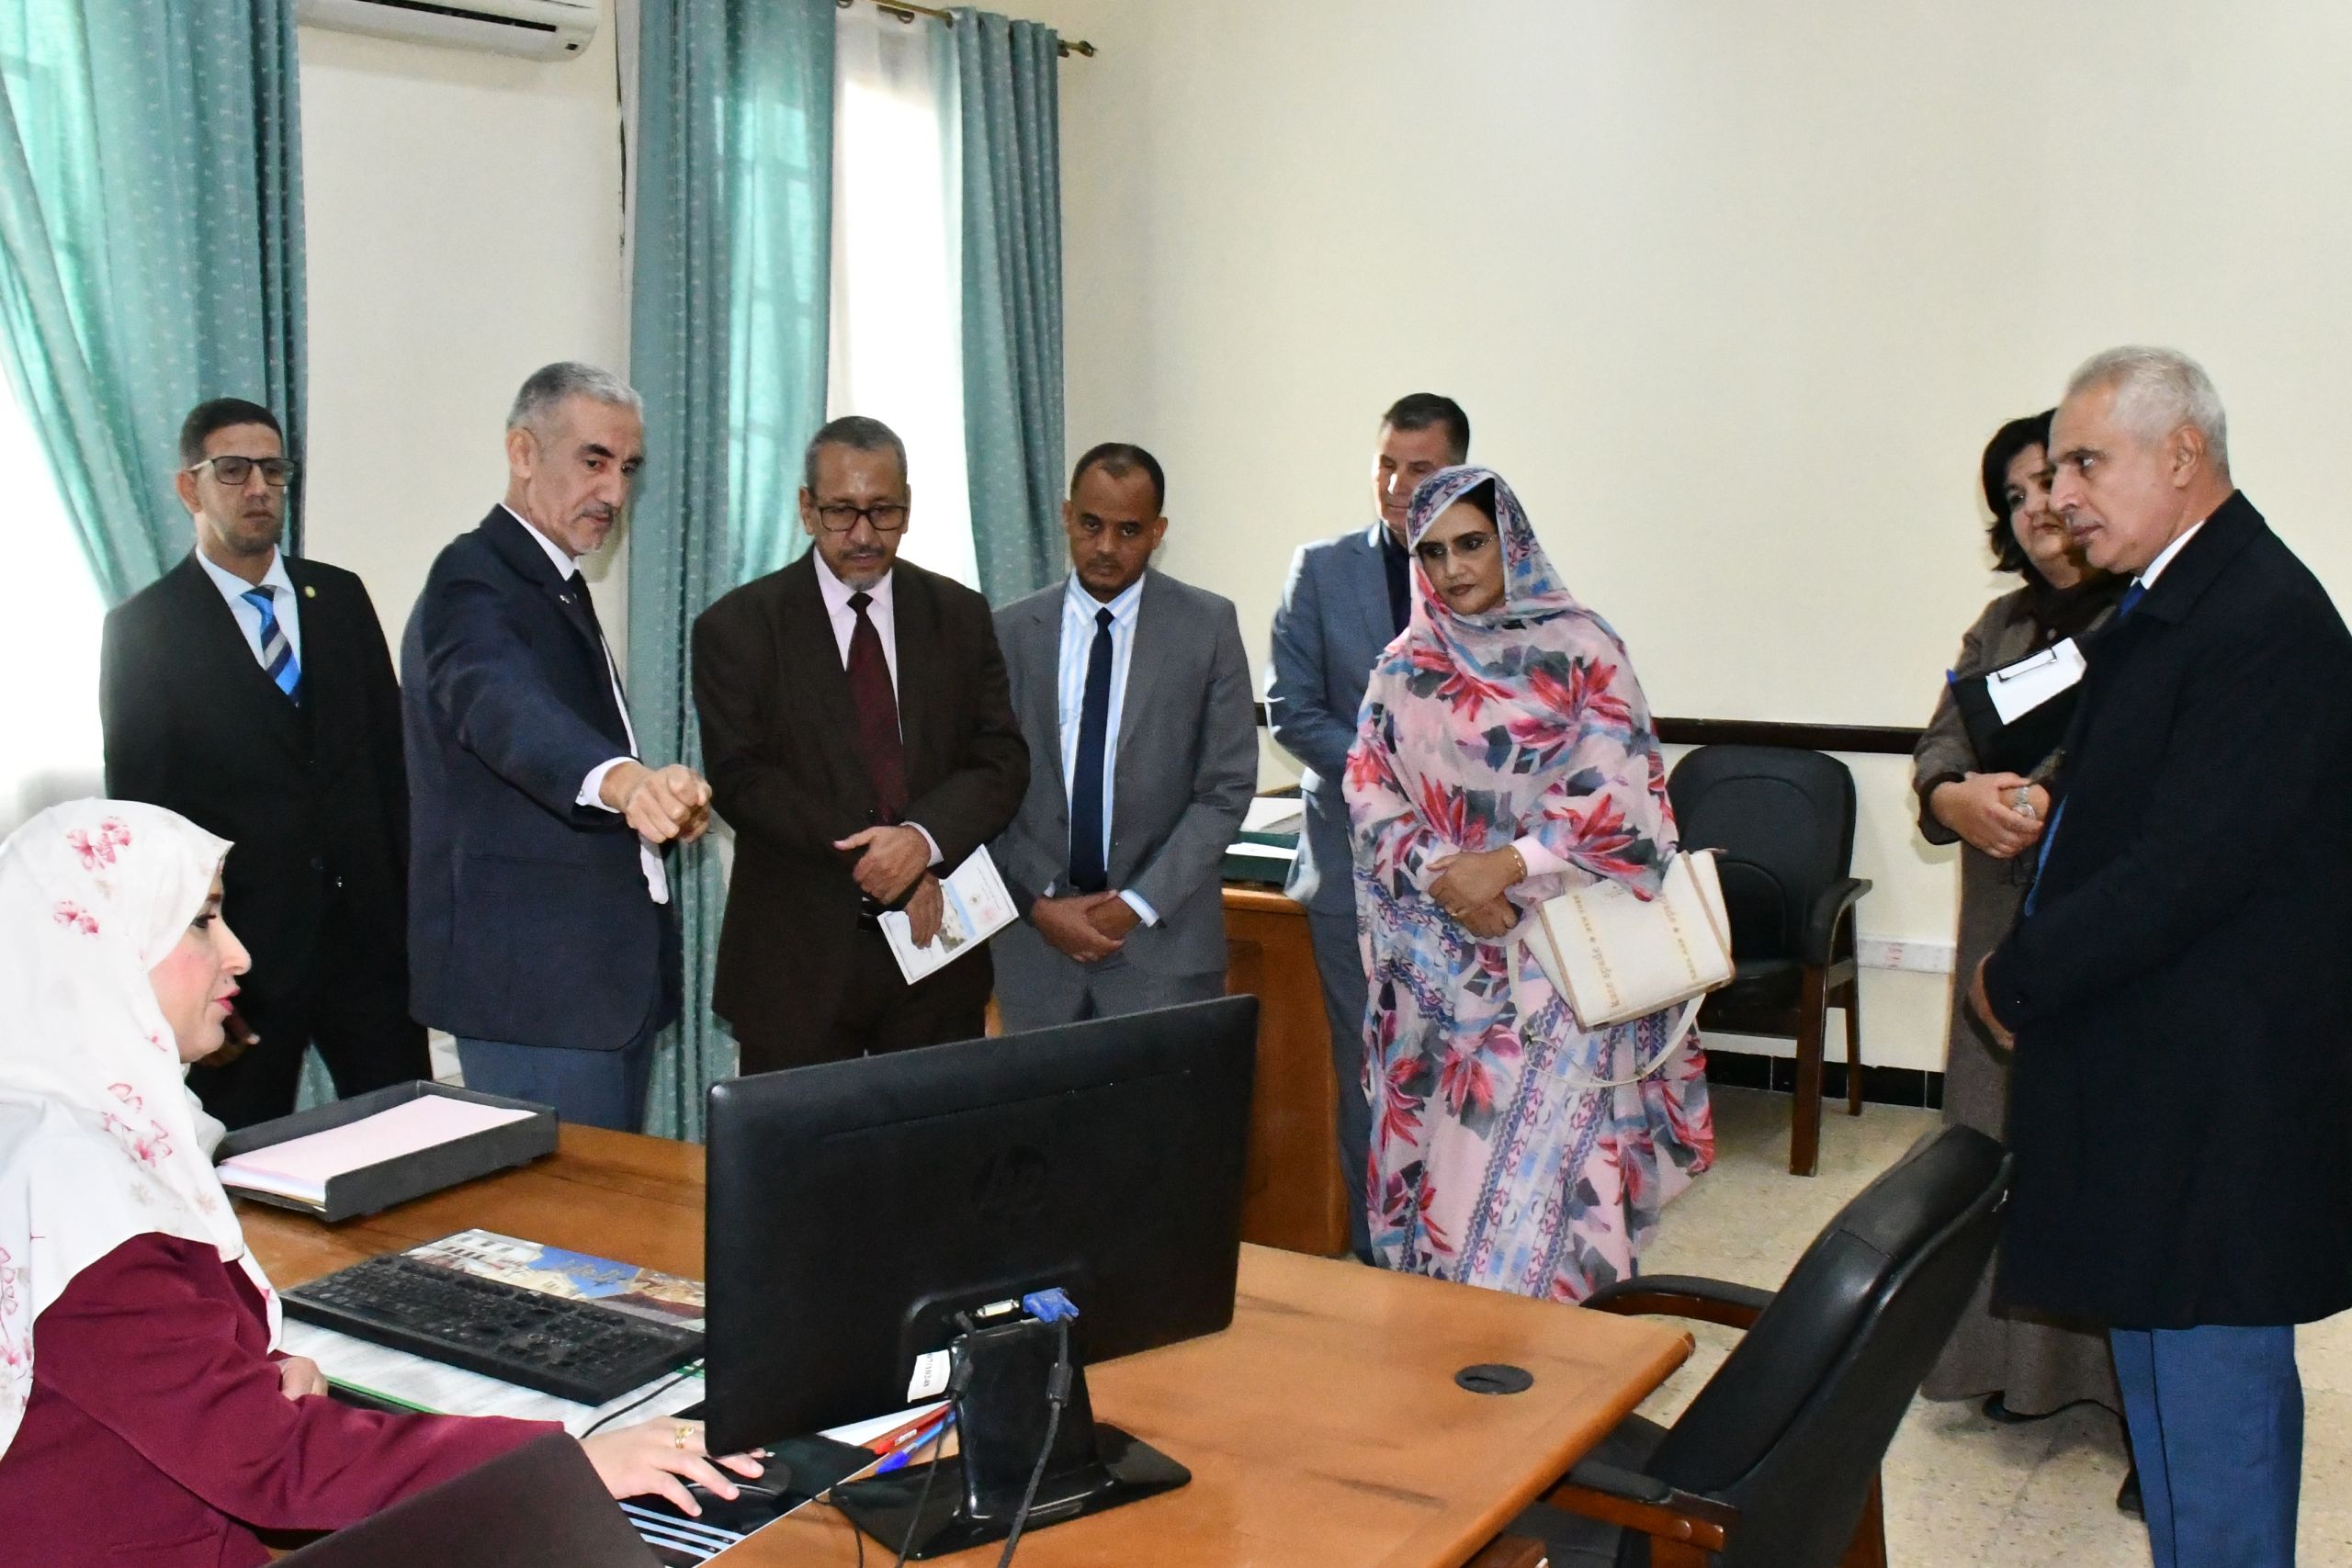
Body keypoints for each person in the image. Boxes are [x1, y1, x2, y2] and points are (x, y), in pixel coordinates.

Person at [0, 800, 759, 1566]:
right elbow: (273, 1462)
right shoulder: (78, 1191)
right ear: (97, 948)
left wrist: (256, 1372)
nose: (239, 955)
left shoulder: (61, 1129)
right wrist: (570, 1459)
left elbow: (132, 1365)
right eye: (201, 921)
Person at [1971, 348, 2352, 1568]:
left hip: (2214, 1090)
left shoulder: (2259, 619)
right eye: (2056, 470)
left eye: (2086, 463)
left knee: (2213, 1404)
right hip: (2162, 1071)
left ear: (2182, 455)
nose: (2059, 496)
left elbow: (2185, 866)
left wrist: (2021, 972)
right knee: (2175, 1391)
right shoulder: (2177, 596)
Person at [1347, 466, 1713, 1301]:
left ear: (1510, 541)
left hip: (1561, 958)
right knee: (1445, 1184)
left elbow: (1620, 788)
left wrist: (1508, 867)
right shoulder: (1403, 667)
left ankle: (1563, 1361)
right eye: (1432, 551)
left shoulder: (1583, 649)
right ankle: (1457, 1356)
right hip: (1440, 966)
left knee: (1553, 1181)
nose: (1453, 569)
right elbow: (1367, 790)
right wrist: (1448, 876)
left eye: (1472, 543)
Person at [99, 399, 426, 1131]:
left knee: (412, 1146)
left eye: (273, 470)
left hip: (370, 949)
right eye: (233, 470)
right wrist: (187, 975)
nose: (258, 488)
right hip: (243, 964)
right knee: (244, 1160)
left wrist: (412, 926)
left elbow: (392, 769)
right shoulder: (145, 630)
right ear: (189, 488)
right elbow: (146, 821)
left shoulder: (339, 598)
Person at [403, 364, 711, 1131]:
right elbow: (500, 705)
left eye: (628, 468)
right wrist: (624, 783)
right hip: (535, 992)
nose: (614, 491)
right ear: (522, 452)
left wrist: (657, 805)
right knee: (557, 1210)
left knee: (604, 1205)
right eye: (594, 460)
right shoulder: (472, 577)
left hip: (592, 986)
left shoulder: (555, 582)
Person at [693, 416, 1027, 1073]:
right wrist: (885, 862)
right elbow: (742, 779)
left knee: (932, 1139)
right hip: (797, 960)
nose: (866, 534)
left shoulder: (959, 615)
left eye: (884, 511)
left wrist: (921, 841)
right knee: (801, 1143)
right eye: (842, 511)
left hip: (937, 957)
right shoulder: (739, 627)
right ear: (806, 508)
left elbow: (1001, 760)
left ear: (909, 506)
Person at [1912, 411, 2124, 1422]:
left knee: (2099, 1158)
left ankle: (2117, 1402)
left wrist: (2046, 799)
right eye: (2013, 496)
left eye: (2047, 480)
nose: (2036, 507)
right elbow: (1940, 742)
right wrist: (1952, 796)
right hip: (1998, 929)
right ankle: (2007, 1374)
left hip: (2095, 930)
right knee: (1997, 1148)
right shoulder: (1999, 624)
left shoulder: (2141, 613)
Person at [1268, 392, 1468, 1263]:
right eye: (1386, 463)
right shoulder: (1320, 569)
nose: (1395, 484)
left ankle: (1458, 1255)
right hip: (1350, 869)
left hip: (1463, 875)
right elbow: (1290, 708)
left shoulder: (1488, 575)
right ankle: (1378, 1261)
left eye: (1419, 468)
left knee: (1459, 1077)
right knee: (1372, 1078)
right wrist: (1389, 775)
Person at [989, 444, 1257, 1029]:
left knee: (1162, 1095)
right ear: (1066, 516)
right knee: (1041, 1095)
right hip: (1036, 949)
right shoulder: (1008, 632)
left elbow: (1226, 789)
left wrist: (1135, 904)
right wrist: (1040, 905)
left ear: (1158, 531)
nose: (1106, 546)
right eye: (1091, 525)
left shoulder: (1207, 627)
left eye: (1129, 530)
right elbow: (988, 788)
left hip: (1162, 945)